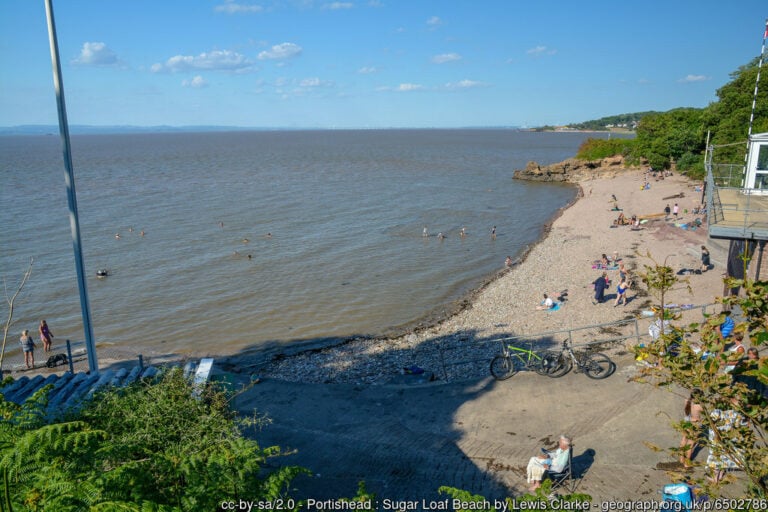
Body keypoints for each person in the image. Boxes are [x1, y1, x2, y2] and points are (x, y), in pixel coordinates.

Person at [679, 389, 704, 468]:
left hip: (685, 422)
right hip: (694, 424)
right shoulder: (700, 406)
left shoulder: (687, 401)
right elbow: (702, 416)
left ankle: (681, 459)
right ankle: (687, 463)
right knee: (691, 444)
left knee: (683, 441)